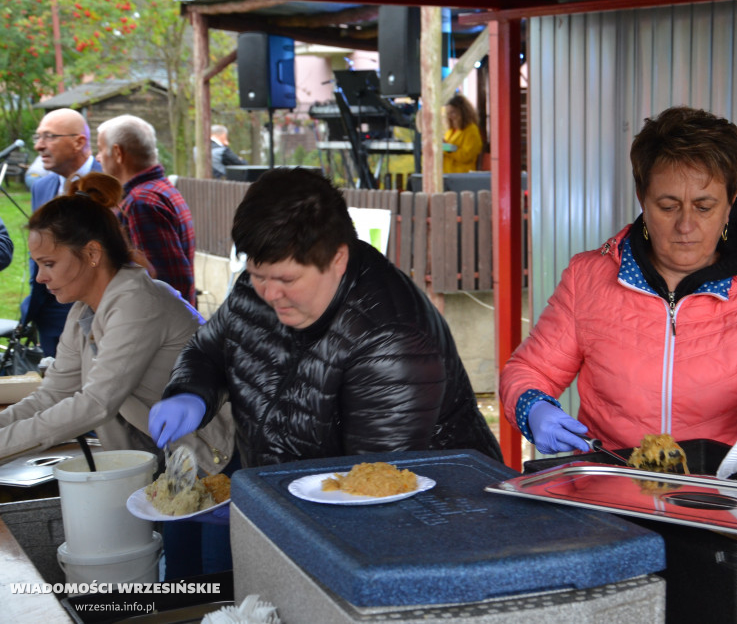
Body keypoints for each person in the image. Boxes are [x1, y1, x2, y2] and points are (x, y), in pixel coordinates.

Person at [500, 106, 737, 454]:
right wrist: (532, 407)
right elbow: (528, 371)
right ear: (642, 199)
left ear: (730, 203)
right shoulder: (588, 279)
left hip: (717, 497)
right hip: (607, 490)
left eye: (704, 207)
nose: (685, 226)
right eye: (668, 206)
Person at [149, 168, 502, 471]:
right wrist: (191, 393)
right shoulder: (254, 290)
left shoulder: (391, 339)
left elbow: (374, 484)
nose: (269, 293)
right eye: (257, 273)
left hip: (429, 524)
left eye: (287, 280)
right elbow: (208, 350)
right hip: (289, 499)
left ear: (337, 259)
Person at [0, 186, 232, 469]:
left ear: (92, 253)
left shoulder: (138, 302)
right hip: (177, 464)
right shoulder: (83, 313)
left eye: (49, 264)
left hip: (221, 459)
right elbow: (51, 395)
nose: (40, 278)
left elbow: (96, 403)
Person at [22, 108, 99, 358]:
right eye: (37, 137)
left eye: (49, 137)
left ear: (79, 142)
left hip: (99, 312)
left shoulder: (110, 184)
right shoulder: (42, 187)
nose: (39, 146)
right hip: (49, 311)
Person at [97, 114, 197, 306]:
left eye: (101, 149)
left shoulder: (140, 203)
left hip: (156, 330)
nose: (97, 157)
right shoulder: (160, 189)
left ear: (118, 153)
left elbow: (164, 285)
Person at [442, 94, 483, 174]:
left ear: (462, 112)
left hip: (462, 175)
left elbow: (467, 155)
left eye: (453, 112)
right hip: (448, 174)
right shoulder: (450, 131)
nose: (450, 117)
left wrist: (446, 147)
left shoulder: (471, 130)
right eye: (448, 113)